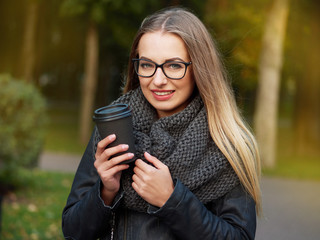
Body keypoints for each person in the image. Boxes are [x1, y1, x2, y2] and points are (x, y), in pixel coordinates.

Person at [62, 7, 261, 240]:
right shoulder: (114, 129)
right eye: (147, 65)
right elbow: (73, 231)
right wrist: (106, 191)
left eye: (174, 66)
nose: (158, 80)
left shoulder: (228, 143)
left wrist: (172, 200)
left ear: (199, 68)